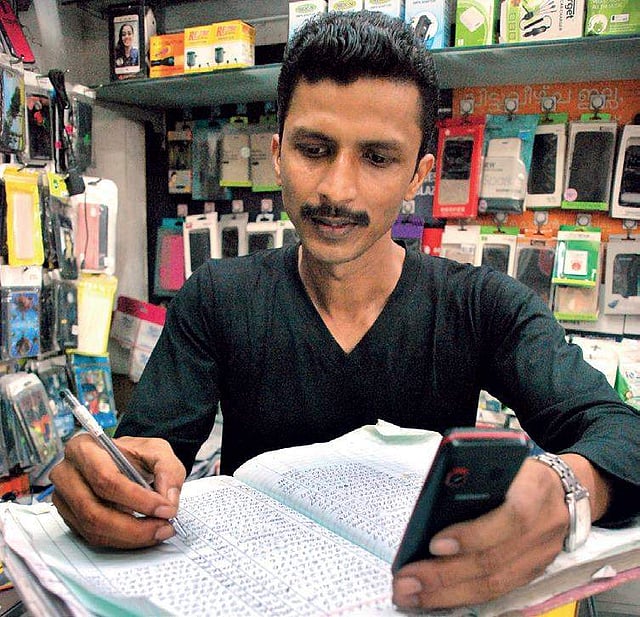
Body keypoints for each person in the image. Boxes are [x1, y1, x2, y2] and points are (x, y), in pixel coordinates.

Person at [50, 10, 640, 612]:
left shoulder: (482, 306)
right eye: (314, 149)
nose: (337, 189)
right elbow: (146, 456)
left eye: (378, 158)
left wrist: (568, 488)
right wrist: (109, 482)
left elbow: (623, 434)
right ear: (277, 153)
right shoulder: (217, 298)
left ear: (419, 175)